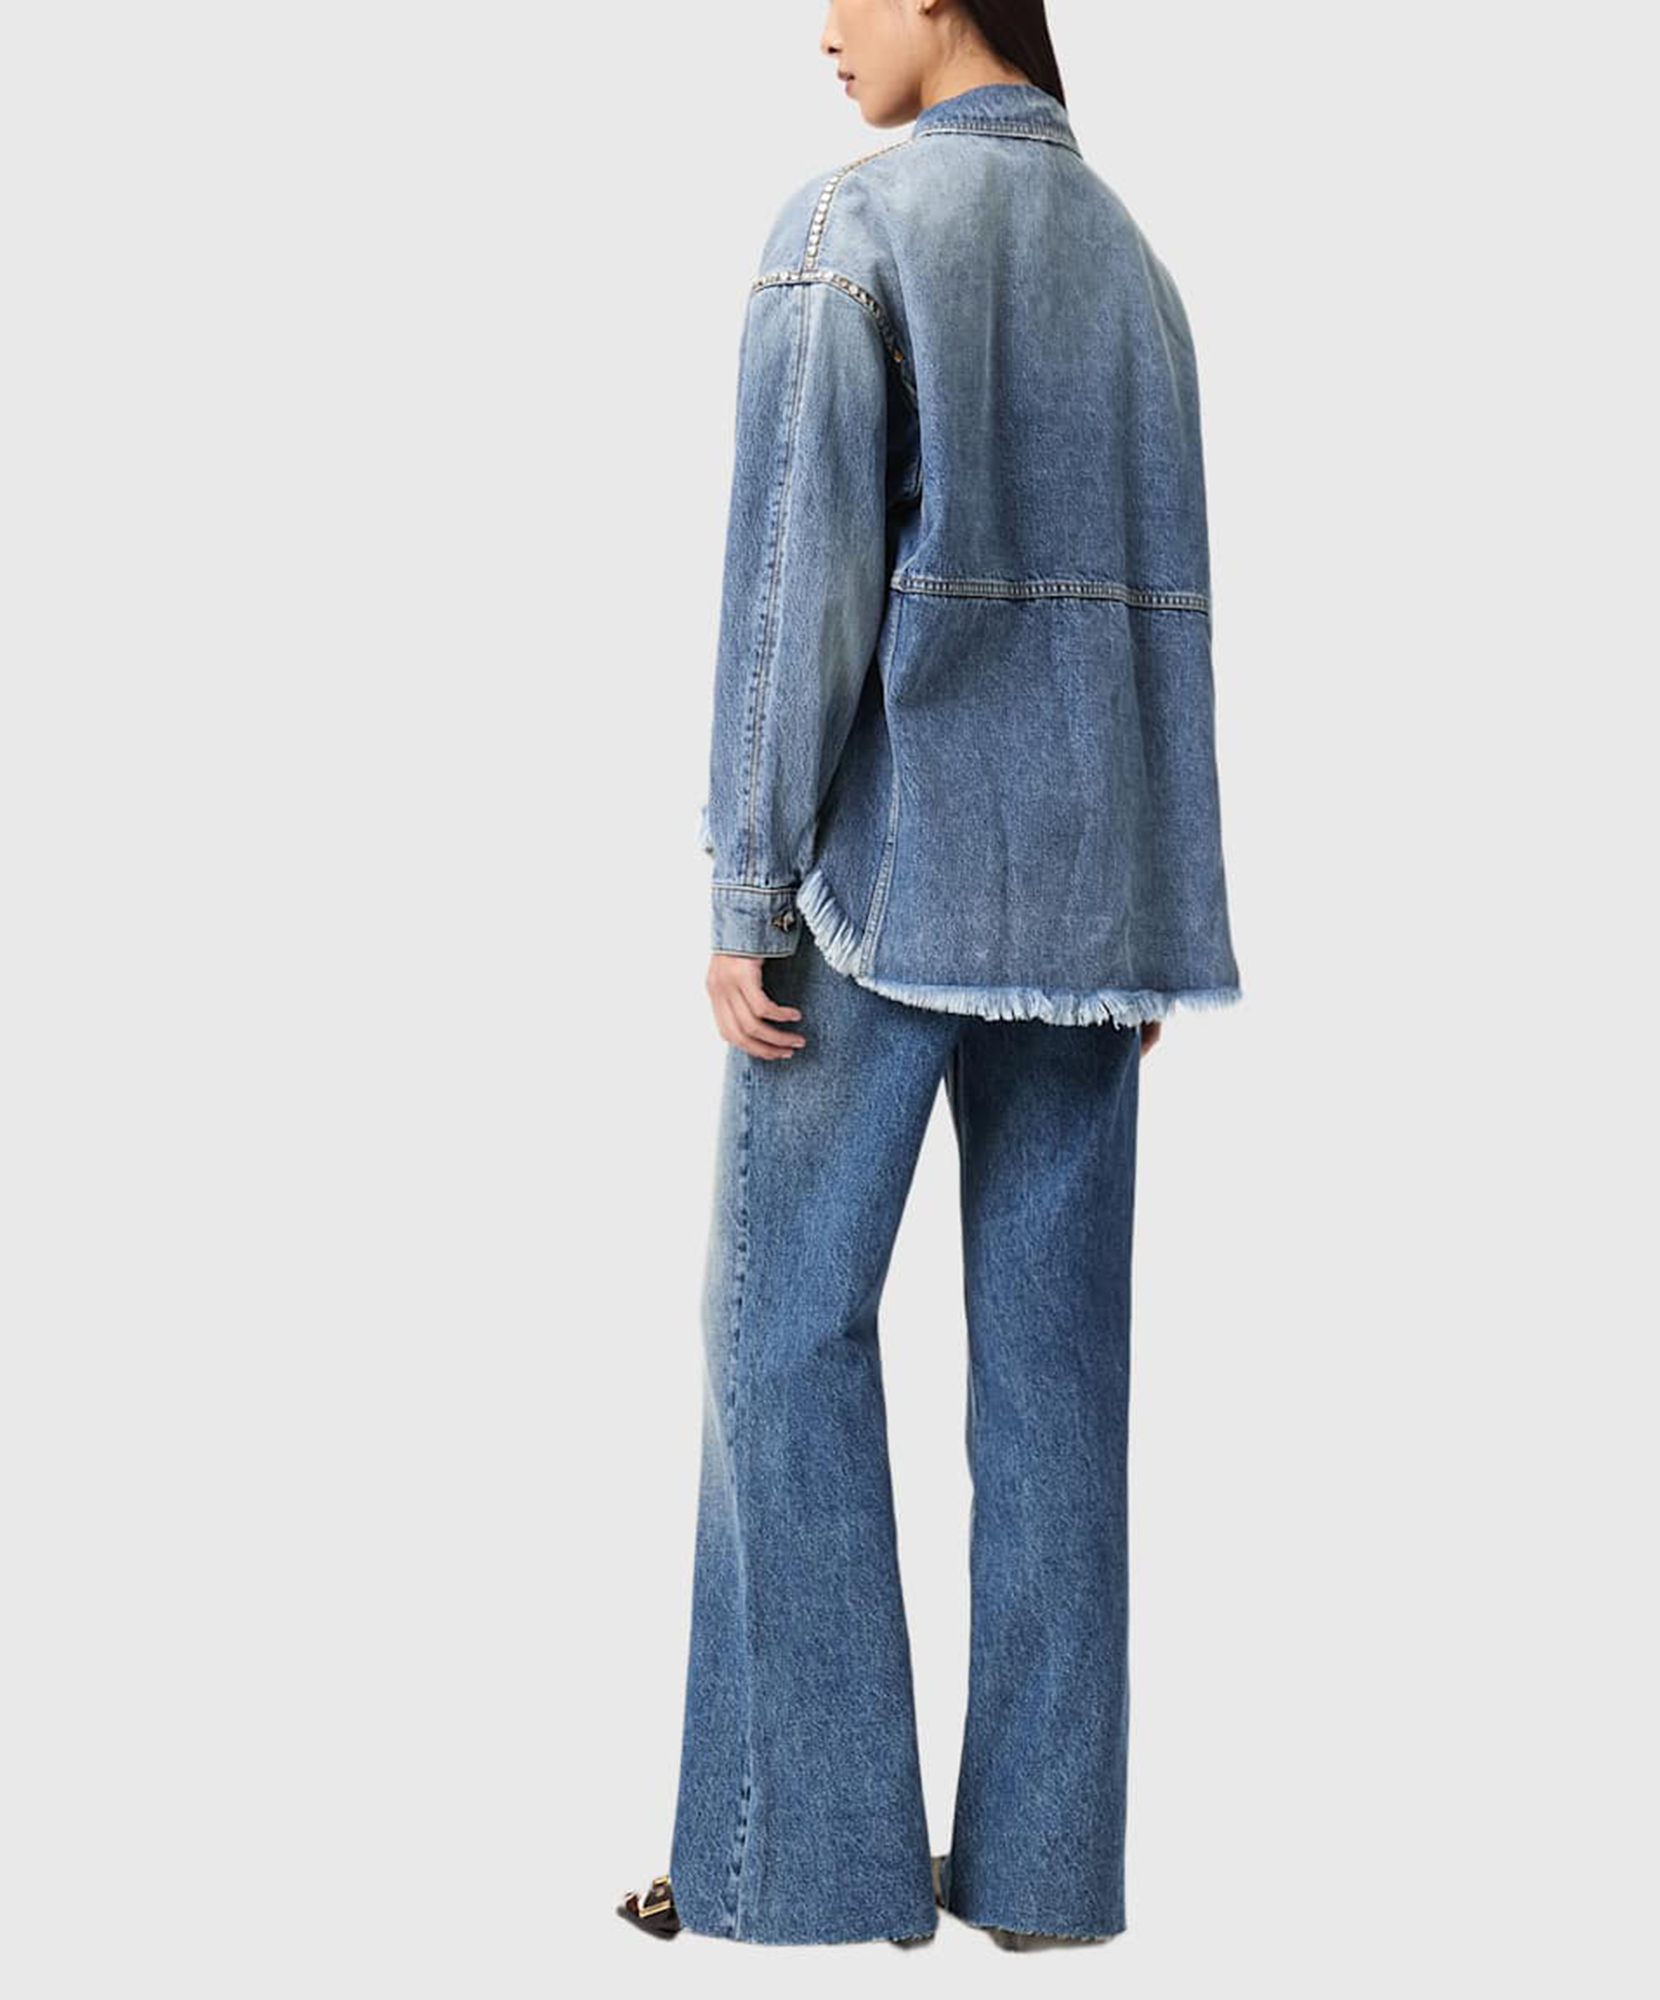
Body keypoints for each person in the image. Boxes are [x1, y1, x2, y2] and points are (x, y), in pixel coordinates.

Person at [618, 0, 1241, 1950]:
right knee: (1057, 1384)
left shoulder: (854, 232)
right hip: (1092, 910)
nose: (822, 27)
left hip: (878, 892)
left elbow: (790, 594)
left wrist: (744, 881)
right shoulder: (1136, 268)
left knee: (783, 1333)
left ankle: (806, 1861)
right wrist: (1150, 910)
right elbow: (1165, 613)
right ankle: (1042, 1880)